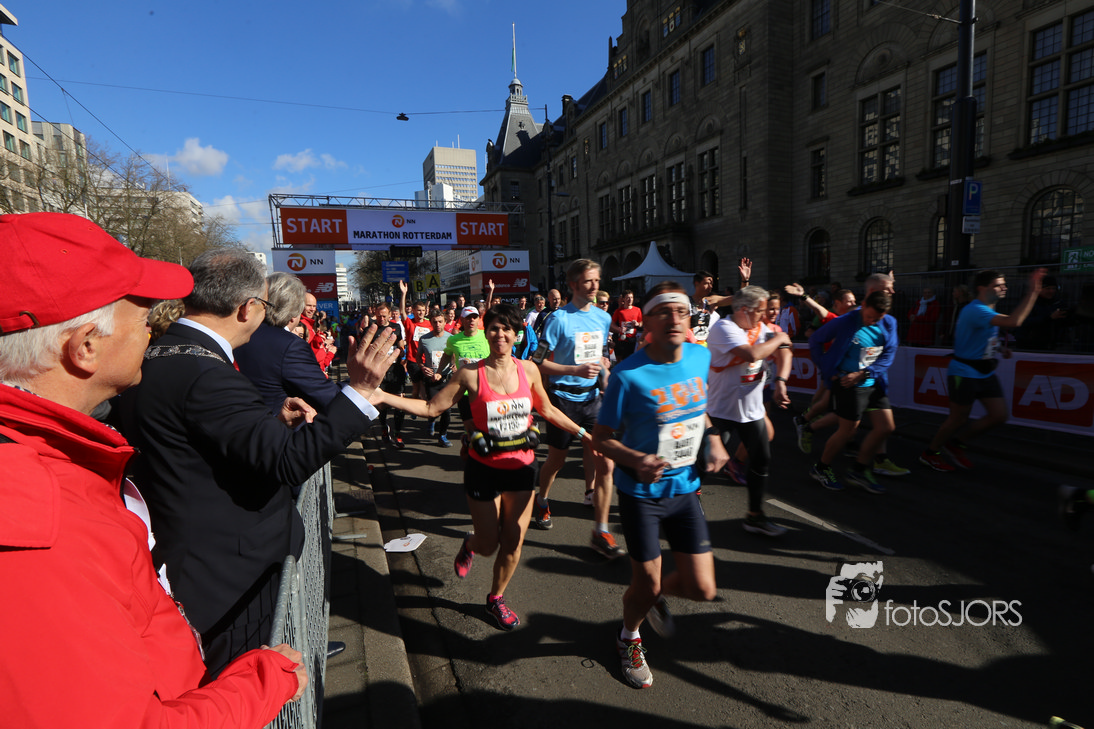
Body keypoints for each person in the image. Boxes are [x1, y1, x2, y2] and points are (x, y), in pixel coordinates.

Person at [0, 212, 306, 727]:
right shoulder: (33, 520)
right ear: (85, 347)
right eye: (141, 313)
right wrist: (265, 681)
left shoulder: (46, 467)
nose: (154, 326)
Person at [116, 248, 398, 676]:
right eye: (264, 306)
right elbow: (288, 462)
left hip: (192, 555)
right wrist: (358, 391)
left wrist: (270, 424)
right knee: (250, 682)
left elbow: (199, 443)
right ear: (248, 308)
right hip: (233, 576)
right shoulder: (207, 374)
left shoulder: (160, 353)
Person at [374, 303, 590, 630]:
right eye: (495, 328)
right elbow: (432, 407)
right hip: (483, 469)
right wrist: (382, 396)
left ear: (517, 335)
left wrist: (585, 435)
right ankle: (472, 543)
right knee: (489, 544)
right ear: (486, 333)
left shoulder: (529, 370)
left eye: (507, 329)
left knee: (513, 542)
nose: (500, 334)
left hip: (521, 468)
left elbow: (546, 409)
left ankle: (495, 599)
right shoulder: (470, 373)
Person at [592, 282, 730, 689]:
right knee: (646, 583)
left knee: (703, 589)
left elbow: (698, 409)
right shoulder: (628, 375)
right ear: (647, 322)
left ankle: (650, 598)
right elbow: (601, 438)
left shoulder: (700, 357)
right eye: (663, 312)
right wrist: (638, 459)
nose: (674, 319)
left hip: (685, 488)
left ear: (690, 319)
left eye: (681, 311)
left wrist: (714, 437)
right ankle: (628, 637)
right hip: (642, 494)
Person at [533, 260, 623, 558]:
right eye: (588, 281)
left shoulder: (602, 317)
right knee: (556, 461)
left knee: (605, 461)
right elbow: (537, 362)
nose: (595, 286)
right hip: (563, 399)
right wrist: (575, 369)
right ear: (573, 285)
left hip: (593, 398)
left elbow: (602, 354)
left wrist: (605, 371)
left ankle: (601, 530)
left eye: (597, 280)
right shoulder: (558, 319)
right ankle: (542, 500)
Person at [919, 268, 1046, 471]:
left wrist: (999, 348)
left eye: (1004, 284)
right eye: (998, 285)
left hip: (985, 372)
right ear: (982, 288)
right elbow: (1014, 321)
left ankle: (956, 444)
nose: (1004, 288)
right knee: (958, 419)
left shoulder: (988, 309)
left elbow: (985, 336)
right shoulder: (976, 310)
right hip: (964, 373)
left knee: (999, 416)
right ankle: (931, 453)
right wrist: (1033, 292)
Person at [707, 286, 793, 534]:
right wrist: (780, 338)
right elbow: (753, 353)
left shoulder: (759, 328)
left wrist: (781, 381)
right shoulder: (724, 328)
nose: (765, 316)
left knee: (761, 461)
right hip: (721, 411)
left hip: (752, 412)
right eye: (761, 311)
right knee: (704, 465)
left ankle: (755, 516)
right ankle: (685, 510)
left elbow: (785, 351)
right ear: (744, 310)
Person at [807, 291, 899, 494]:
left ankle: (858, 471)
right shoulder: (845, 321)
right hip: (847, 383)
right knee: (848, 430)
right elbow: (815, 340)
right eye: (869, 316)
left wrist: (865, 373)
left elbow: (889, 354)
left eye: (877, 319)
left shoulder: (890, 323)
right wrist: (827, 370)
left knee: (886, 427)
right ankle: (821, 468)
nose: (871, 321)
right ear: (863, 305)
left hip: (873, 381)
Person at [236, 272, 340, 414]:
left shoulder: (240, 335)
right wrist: (360, 385)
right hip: (277, 423)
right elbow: (328, 398)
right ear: (294, 311)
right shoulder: (290, 345)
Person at [374, 301, 408, 448]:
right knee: (382, 404)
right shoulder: (372, 329)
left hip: (396, 370)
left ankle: (398, 433)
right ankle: (384, 429)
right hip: (380, 371)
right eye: (378, 316)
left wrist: (402, 352)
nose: (381, 319)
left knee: (399, 403)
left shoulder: (396, 327)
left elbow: (401, 343)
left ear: (389, 314)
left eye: (384, 316)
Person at [418, 309, 454, 447]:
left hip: (447, 378)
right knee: (434, 407)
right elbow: (418, 357)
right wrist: (422, 367)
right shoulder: (424, 339)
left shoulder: (451, 338)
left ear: (445, 322)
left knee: (447, 410)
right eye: (434, 322)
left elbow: (455, 355)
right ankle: (431, 420)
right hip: (431, 379)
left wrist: (454, 365)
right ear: (431, 323)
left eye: (440, 321)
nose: (437, 324)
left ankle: (443, 435)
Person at [611, 290, 643, 362]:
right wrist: (619, 329)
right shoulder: (619, 311)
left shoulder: (637, 310)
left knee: (629, 359)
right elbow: (612, 324)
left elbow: (641, 322)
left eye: (631, 297)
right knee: (621, 359)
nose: (630, 299)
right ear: (623, 299)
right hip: (622, 338)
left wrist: (637, 324)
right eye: (628, 298)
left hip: (632, 338)